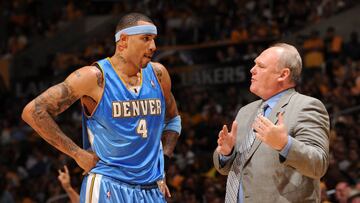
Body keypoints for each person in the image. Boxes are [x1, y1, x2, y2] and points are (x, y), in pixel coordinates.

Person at [22, 12, 181, 202]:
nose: (153, 46)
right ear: (123, 41)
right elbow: (34, 111)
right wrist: (77, 154)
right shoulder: (94, 77)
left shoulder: (159, 74)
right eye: (145, 39)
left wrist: (164, 161)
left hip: (151, 188)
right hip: (108, 184)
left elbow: (173, 119)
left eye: (154, 39)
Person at [213, 43, 330, 203]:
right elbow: (228, 168)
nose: (252, 70)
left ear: (283, 74)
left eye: (260, 66)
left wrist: (285, 145)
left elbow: (319, 165)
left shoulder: (306, 106)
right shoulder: (245, 111)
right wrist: (226, 154)